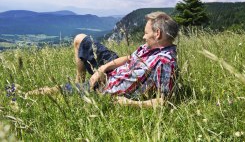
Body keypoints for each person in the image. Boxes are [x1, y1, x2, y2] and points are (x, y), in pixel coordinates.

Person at [26, 11, 179, 107]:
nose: (143, 36)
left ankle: (26, 95)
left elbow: (163, 102)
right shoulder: (151, 47)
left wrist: (130, 103)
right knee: (80, 39)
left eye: (146, 33)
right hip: (113, 69)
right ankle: (80, 81)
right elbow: (128, 58)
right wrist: (102, 68)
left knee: (57, 90)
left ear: (157, 33)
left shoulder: (164, 62)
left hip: (108, 86)